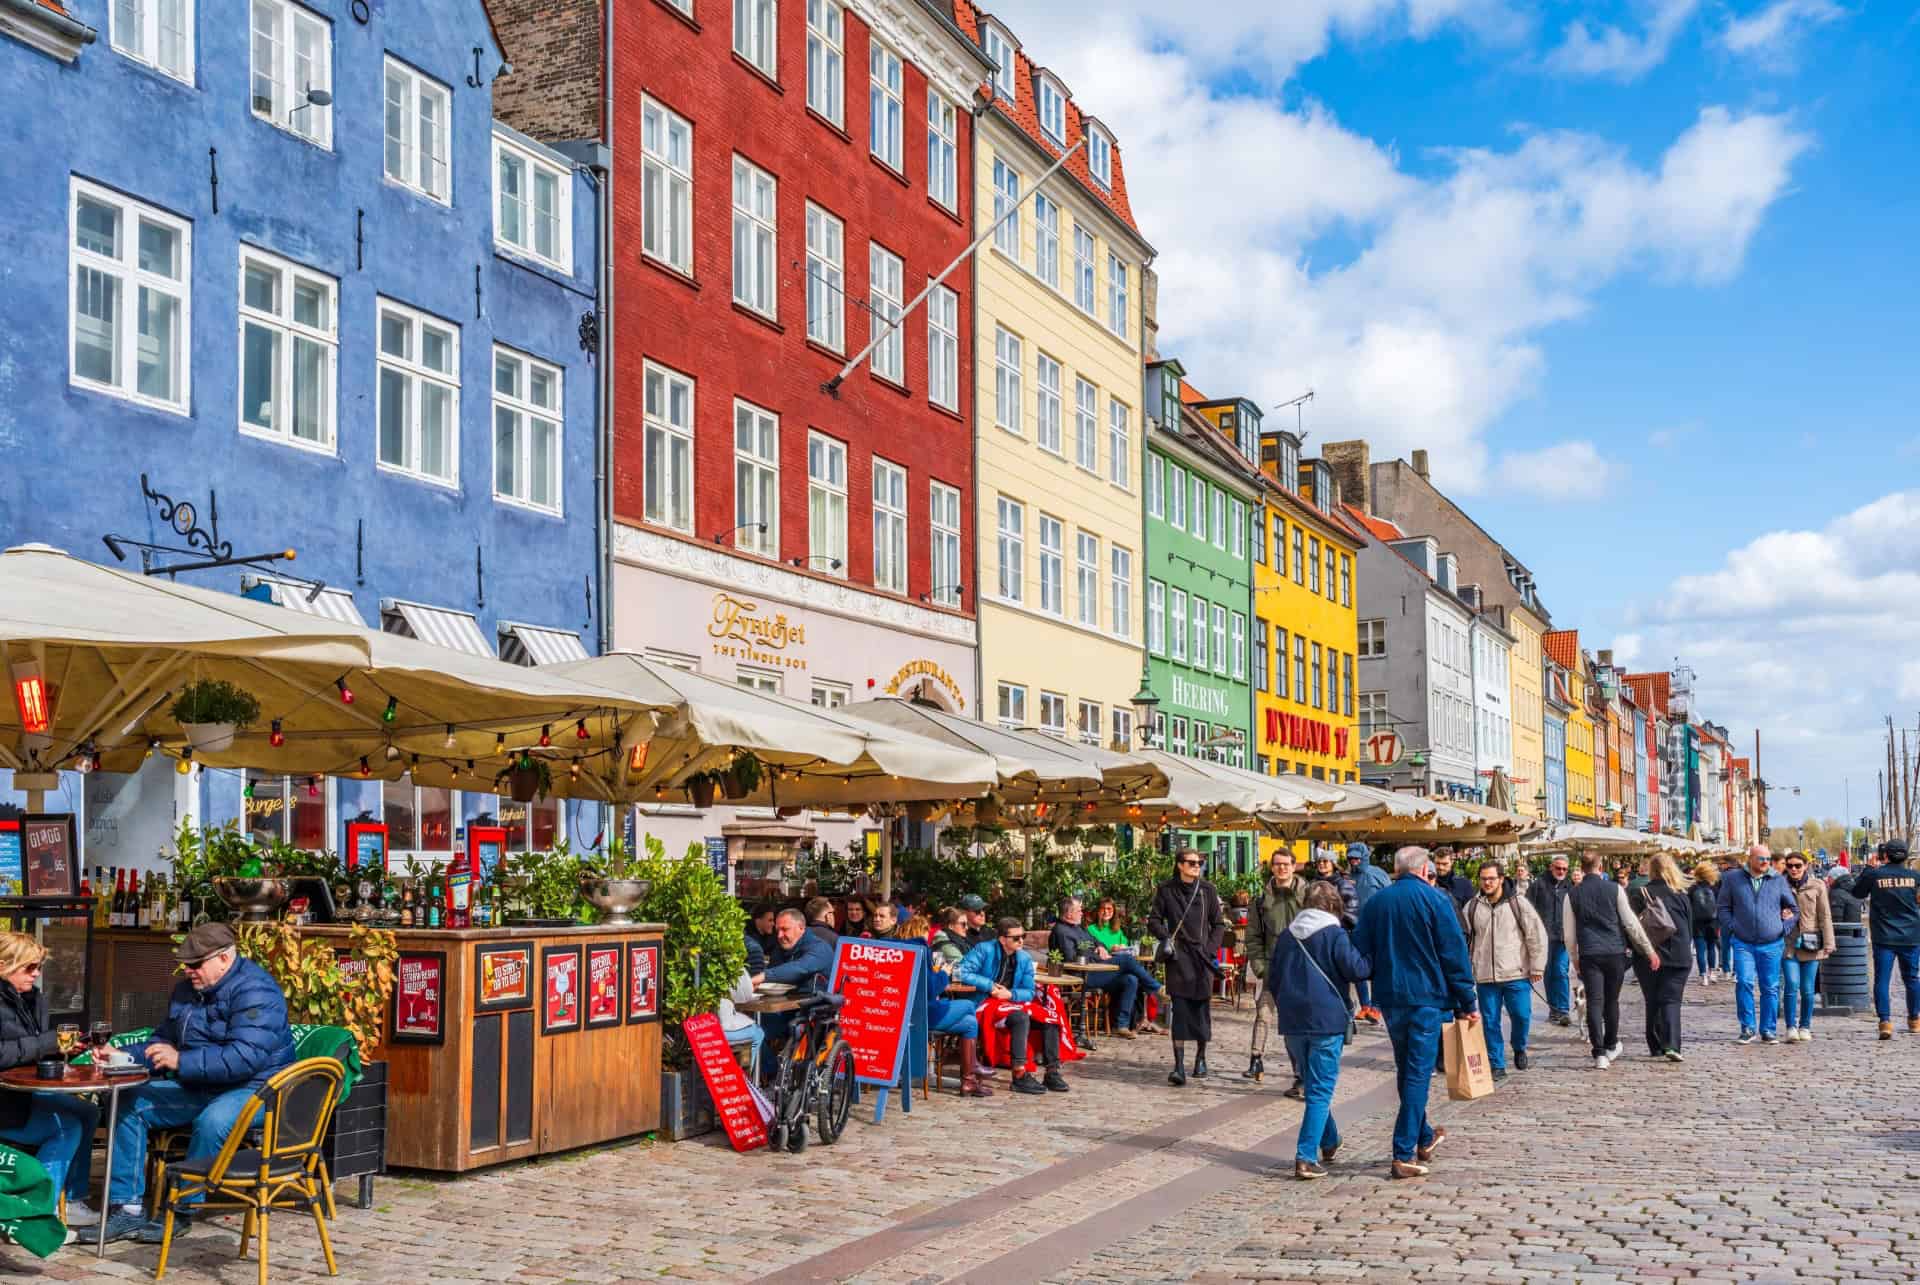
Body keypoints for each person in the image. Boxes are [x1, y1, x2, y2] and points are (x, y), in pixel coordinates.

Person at [102, 923, 297, 1244]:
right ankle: (126, 1209)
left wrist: (181, 1062)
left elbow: (243, 1058)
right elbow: (163, 1041)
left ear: (224, 958)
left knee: (213, 1121)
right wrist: (120, 1056)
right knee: (129, 1100)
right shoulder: (187, 991)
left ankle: (182, 1210)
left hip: (257, 1089)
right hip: (202, 1084)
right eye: (186, 964)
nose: (189, 971)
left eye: (196, 964)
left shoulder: (256, 991)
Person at [1351, 846, 1478, 1180]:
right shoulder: (1436, 901)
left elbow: (1359, 949)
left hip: (1391, 998)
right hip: (1427, 998)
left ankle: (1424, 1136)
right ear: (1424, 871)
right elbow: (1454, 955)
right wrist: (1468, 1002)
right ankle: (1403, 1152)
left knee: (1406, 1069)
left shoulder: (1377, 902)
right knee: (1418, 1074)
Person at [1271, 882, 1373, 1180]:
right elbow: (1357, 970)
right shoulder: (1334, 933)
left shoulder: (1288, 935)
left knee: (1313, 1084)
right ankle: (1305, 1156)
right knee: (1320, 1090)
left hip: (1292, 1021)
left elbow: (1274, 979)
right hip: (1326, 1019)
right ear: (1333, 907)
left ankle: (1329, 1141)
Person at [0, 933, 101, 1229]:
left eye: (39, 966)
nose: (36, 974)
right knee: (64, 1129)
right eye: (29, 967)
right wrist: (48, 1042)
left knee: (87, 1111)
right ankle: (37, 1215)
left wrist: (62, 1050)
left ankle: (72, 1199)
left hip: (21, 1092)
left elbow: (30, 1048)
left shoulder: (31, 998)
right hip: (5, 1100)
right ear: (4, 964)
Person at [1562, 852, 1660, 1070]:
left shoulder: (1572, 895)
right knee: (1611, 1001)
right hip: (1614, 951)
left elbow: (1568, 935)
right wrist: (1648, 950)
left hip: (1589, 953)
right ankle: (1611, 1043)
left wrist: (1574, 958)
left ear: (1582, 867)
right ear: (1599, 866)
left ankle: (1598, 1054)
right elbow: (1631, 924)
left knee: (1594, 1002)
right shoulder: (1614, 889)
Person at [957, 918, 1068, 1095]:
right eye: (1016, 938)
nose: (1021, 941)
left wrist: (1010, 994)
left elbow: (1029, 992)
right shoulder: (984, 949)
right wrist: (990, 986)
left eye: (1022, 936)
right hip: (983, 1004)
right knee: (1020, 1017)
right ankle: (1019, 1075)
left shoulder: (1024, 958)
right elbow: (961, 971)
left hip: (1010, 1002)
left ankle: (1052, 1072)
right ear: (1002, 939)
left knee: (1049, 1017)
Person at [1462, 859, 1547, 1081]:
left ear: (1501, 879)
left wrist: (1537, 965)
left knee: (1521, 1015)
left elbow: (1535, 935)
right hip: (1484, 975)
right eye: (1483, 879)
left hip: (1515, 973)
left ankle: (1519, 1046)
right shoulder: (1472, 907)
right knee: (1489, 1021)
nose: (1487, 883)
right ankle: (1496, 1063)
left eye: (1491, 878)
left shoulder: (1518, 904)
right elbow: (1465, 940)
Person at [1149, 848, 1224, 1087]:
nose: (1197, 866)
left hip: (1201, 958)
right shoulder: (1166, 889)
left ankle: (1200, 1058)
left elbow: (1219, 924)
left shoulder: (1207, 890)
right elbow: (1153, 919)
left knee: (1201, 1009)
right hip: (1179, 958)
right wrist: (1166, 936)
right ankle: (1178, 1065)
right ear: (1180, 865)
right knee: (1180, 1011)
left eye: (1199, 863)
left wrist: (1210, 950)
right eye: (1192, 862)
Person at [1716, 844, 1797, 1045]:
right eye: (1761, 859)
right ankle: (1747, 1027)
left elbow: (1794, 909)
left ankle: (1768, 1030)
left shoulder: (1777, 880)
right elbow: (1723, 906)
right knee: (1744, 982)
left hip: (1772, 942)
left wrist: (1783, 927)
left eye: (1768, 860)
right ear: (1750, 859)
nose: (1765, 863)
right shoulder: (1733, 879)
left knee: (1770, 987)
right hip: (1743, 942)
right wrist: (1732, 926)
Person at [1241, 853, 1307, 1089]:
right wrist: (1260, 967)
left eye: (1286, 864)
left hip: (1300, 969)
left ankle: (1299, 1072)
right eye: (1277, 864)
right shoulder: (1261, 900)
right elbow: (1253, 937)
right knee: (1263, 1015)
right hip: (1272, 967)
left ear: (1293, 866)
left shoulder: (1307, 896)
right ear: (1272, 868)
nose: (1281, 868)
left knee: (1294, 1023)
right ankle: (1256, 1059)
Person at [1049, 896, 1157, 1038]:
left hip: (1096, 971)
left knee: (1131, 979)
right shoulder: (1061, 931)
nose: (1082, 913)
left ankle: (1121, 1026)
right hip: (1081, 977)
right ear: (1069, 914)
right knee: (1126, 960)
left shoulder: (1079, 928)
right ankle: (1155, 988)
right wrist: (1095, 955)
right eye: (1079, 910)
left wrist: (1100, 947)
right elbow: (1072, 959)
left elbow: (1097, 942)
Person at [1846, 839, 1920, 1040]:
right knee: (1912, 978)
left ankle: (1885, 1022)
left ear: (1884, 855)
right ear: (1905, 856)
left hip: (1884, 936)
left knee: (1882, 980)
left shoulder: (1875, 875)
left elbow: (1857, 892)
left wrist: (1868, 869)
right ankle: (1914, 1019)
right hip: (1911, 936)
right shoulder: (1915, 877)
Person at [1628, 855, 1694, 1063]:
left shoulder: (1641, 893)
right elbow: (1689, 927)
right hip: (1678, 954)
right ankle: (1672, 1045)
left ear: (1651, 870)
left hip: (1649, 954)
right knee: (1671, 1000)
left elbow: (1632, 927)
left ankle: (1656, 1045)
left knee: (1652, 1000)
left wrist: (1633, 949)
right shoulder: (1681, 894)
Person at [1780, 852, 1834, 1043]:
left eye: (1797, 865)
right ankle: (1790, 1027)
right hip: (1788, 944)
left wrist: (1829, 943)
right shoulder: (1779, 885)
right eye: (1790, 865)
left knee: (1808, 989)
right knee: (1791, 985)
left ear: (1805, 866)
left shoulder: (1817, 885)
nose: (1793, 869)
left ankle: (1805, 1026)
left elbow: (1825, 915)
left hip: (1811, 943)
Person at [1526, 853, 1577, 1026]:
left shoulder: (1570, 887)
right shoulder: (1538, 885)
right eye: (1558, 868)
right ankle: (1554, 1009)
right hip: (1543, 937)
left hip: (1564, 937)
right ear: (1551, 867)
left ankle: (1563, 1010)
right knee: (1548, 973)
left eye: (1564, 869)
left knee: (1560, 971)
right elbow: (1528, 909)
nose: (1561, 871)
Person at [1349, 844, 1389, 1023]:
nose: (1354, 861)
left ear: (1365, 857)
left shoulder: (1377, 874)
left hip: (1377, 927)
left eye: (1357, 858)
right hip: (1356, 928)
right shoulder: (1348, 877)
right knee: (1357, 968)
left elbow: (1390, 895)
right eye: (1351, 858)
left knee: (1378, 968)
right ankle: (1364, 1005)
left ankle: (1376, 1007)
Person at [1688, 862, 1722, 985]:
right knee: (1711, 947)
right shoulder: (1714, 888)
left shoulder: (1692, 889)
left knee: (1700, 949)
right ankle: (1712, 972)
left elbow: (1688, 906)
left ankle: (1703, 976)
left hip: (1697, 923)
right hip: (1712, 922)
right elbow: (1719, 905)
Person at [1311, 852, 1359, 926]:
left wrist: (1336, 926)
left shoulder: (1343, 885)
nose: (1321, 863)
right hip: (1314, 928)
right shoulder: (1313, 884)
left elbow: (1351, 912)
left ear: (1333, 864)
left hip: (1336, 928)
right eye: (1319, 861)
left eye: (1325, 861)